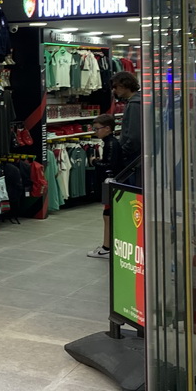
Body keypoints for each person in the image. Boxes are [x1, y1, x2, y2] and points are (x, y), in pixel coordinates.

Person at [87, 114, 119, 259]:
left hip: (110, 183)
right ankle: (107, 245)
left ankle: (107, 247)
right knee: (107, 214)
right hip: (110, 182)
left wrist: (94, 162)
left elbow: (110, 165)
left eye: (97, 129)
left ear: (107, 128)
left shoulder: (111, 143)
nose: (96, 132)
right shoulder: (110, 143)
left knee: (108, 214)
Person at [111, 71, 142, 186]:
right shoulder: (135, 102)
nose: (114, 90)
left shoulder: (134, 104)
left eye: (115, 86)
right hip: (136, 156)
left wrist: (122, 152)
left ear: (125, 85)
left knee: (133, 191)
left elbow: (135, 136)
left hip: (133, 158)